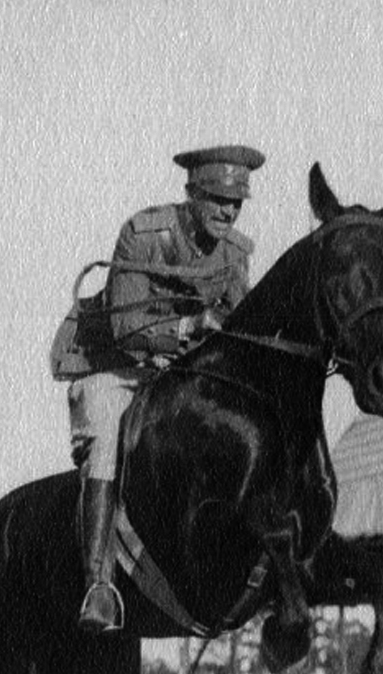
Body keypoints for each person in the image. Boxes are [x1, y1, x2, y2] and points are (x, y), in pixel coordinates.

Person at [49, 144, 265, 633]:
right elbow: (125, 329)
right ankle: (98, 585)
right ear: (191, 194)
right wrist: (192, 326)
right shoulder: (142, 234)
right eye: (216, 199)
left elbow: (243, 329)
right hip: (116, 369)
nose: (227, 211)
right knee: (106, 437)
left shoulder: (235, 254)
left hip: (176, 376)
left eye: (235, 203)